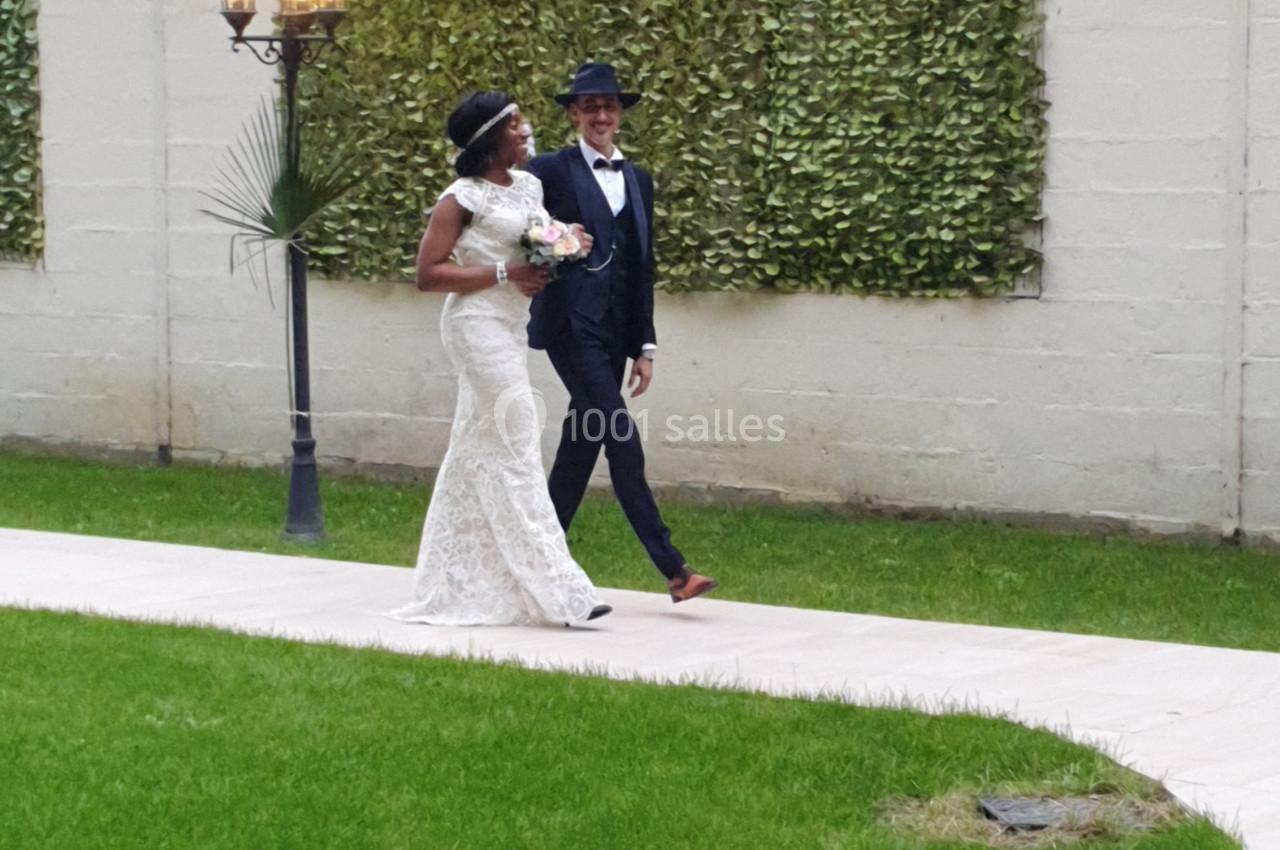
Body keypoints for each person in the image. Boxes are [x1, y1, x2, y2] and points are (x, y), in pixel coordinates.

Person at [391, 91, 610, 627]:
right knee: (518, 440)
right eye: (515, 123)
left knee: (474, 453)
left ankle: (455, 580)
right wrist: (503, 275)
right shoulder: (462, 198)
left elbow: (532, 243)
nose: (526, 129)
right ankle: (563, 589)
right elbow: (428, 274)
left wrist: (566, 242)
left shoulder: (530, 185)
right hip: (475, 327)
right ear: (491, 136)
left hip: (512, 327)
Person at [526, 63, 719, 603]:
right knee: (620, 436)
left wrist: (644, 345)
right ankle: (674, 568)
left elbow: (641, 264)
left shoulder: (639, 180)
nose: (601, 116)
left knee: (581, 444)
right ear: (573, 114)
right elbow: (521, 238)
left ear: (620, 114)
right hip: (570, 323)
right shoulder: (548, 170)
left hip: (616, 329)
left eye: (609, 107)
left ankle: (539, 558)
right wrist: (564, 241)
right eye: (590, 108)